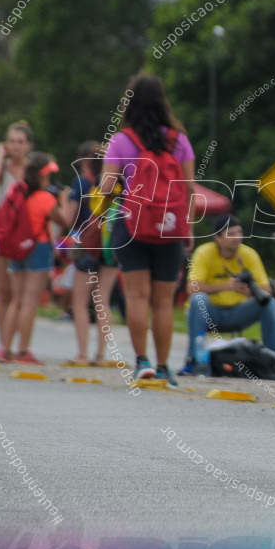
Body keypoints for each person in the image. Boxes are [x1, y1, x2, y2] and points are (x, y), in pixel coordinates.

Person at [100, 72, 195, 388]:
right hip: (170, 226)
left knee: (137, 297)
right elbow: (189, 188)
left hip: (131, 225)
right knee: (164, 301)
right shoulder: (178, 140)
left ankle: (142, 363)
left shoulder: (121, 140)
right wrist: (188, 228)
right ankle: (165, 366)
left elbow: (106, 186)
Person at [178, 214, 275, 376]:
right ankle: (194, 361)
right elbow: (192, 288)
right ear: (218, 238)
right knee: (198, 299)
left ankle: (273, 362)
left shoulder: (248, 254)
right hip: (210, 312)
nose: (237, 238)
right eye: (231, 234)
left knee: (270, 303)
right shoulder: (204, 253)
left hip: (238, 312)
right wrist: (226, 286)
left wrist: (251, 291)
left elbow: (267, 290)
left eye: (239, 233)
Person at [0, 152, 66, 364]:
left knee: (16, 300)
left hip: (16, 248)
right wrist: (62, 200)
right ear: (43, 175)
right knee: (29, 302)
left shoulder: (15, 191)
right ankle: (23, 350)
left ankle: (4, 349)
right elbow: (64, 220)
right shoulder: (46, 198)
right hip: (38, 247)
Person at [62, 141, 119, 365]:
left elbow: (70, 219)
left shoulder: (81, 183)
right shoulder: (114, 182)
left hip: (87, 245)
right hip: (111, 245)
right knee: (102, 300)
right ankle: (101, 355)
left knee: (79, 302)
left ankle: (83, 354)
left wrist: (63, 200)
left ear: (84, 161)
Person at [0, 121, 33, 351]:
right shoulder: (2, 168)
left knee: (21, 293)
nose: (15, 146)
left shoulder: (34, 169)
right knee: (4, 290)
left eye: (20, 142)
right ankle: (4, 344)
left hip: (25, 233)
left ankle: (21, 344)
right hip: (2, 232)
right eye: (11, 141)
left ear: (28, 145)